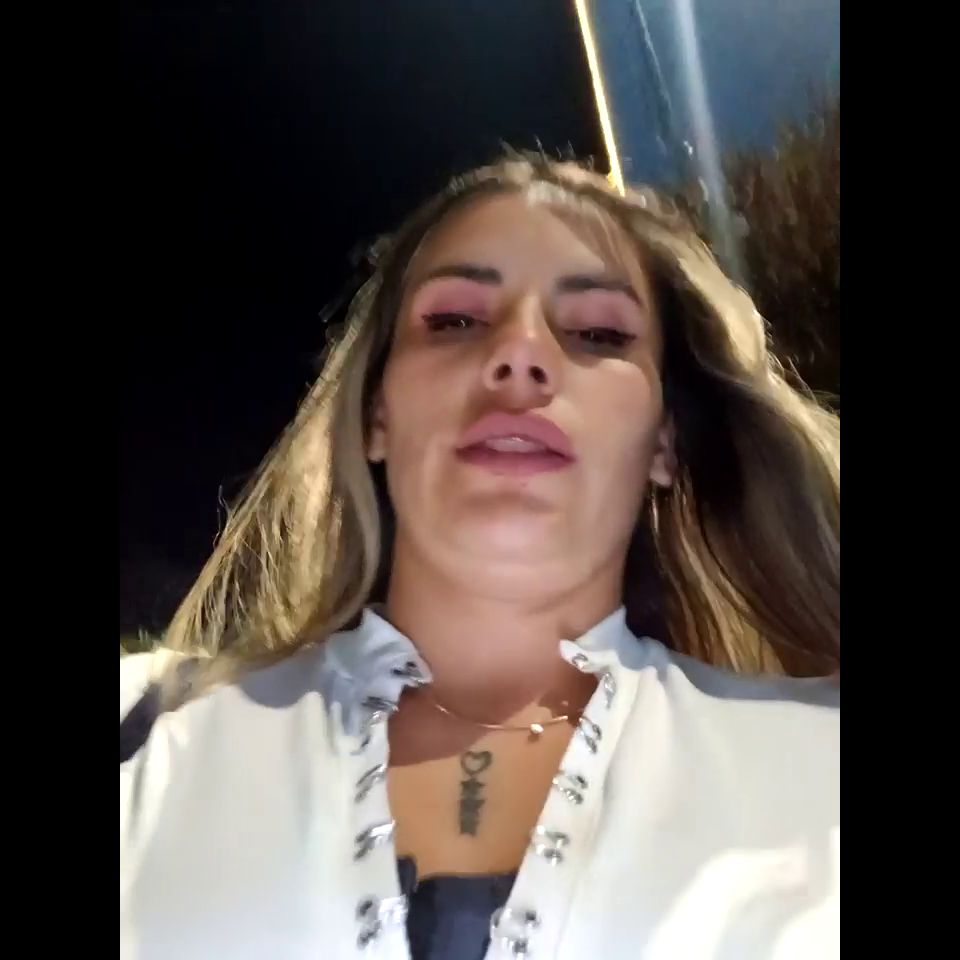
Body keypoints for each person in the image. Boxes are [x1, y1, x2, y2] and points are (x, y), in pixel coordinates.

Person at [120, 153, 840, 959]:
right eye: (456, 321)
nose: (520, 354)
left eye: (597, 334)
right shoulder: (147, 739)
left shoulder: (819, 769)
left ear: (663, 441)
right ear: (376, 414)